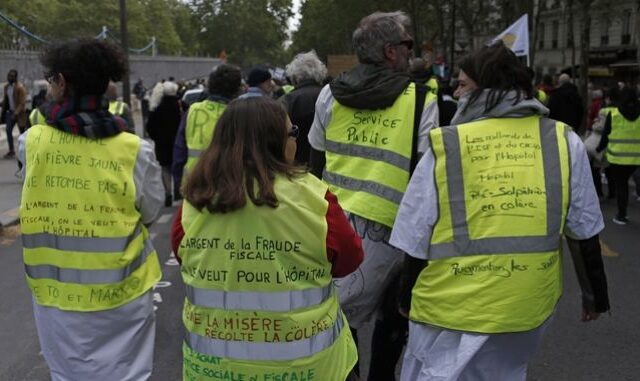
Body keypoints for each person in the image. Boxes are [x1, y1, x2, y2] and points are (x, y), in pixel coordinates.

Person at [391, 42, 609, 381]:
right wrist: (595, 297)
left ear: (484, 89)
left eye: (462, 84)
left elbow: (415, 238)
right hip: (526, 309)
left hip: (447, 310)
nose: (456, 90)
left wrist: (405, 299)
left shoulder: (445, 144)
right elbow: (584, 231)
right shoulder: (564, 140)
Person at [170, 97, 363, 380]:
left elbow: (181, 254)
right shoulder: (315, 198)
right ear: (276, 140)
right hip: (309, 369)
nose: (296, 140)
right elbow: (350, 259)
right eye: (293, 133)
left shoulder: (195, 199)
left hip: (213, 370)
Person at [17, 38, 164, 381]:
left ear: (62, 83)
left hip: (55, 296)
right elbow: (151, 211)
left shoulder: (32, 142)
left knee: (66, 374)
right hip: (124, 293)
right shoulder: (134, 150)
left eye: (52, 78)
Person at [308, 11, 439, 380]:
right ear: (391, 52)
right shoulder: (420, 99)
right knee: (395, 315)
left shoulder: (329, 94)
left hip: (333, 225)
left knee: (338, 318)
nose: (412, 51)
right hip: (397, 229)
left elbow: (316, 161)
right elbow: (427, 171)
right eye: (408, 44)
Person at [172, 64, 243, 194]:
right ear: (237, 89)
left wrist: (178, 182)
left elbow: (179, 151)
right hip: (231, 186)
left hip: (194, 184)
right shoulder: (241, 114)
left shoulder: (193, 111)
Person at [596, 87, 640, 225]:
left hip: (617, 157)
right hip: (638, 157)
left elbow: (606, 134)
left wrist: (599, 148)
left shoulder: (614, 113)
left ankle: (622, 215)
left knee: (622, 187)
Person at [281, 50, 327, 165]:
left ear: (295, 77)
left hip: (296, 165)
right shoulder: (331, 97)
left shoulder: (286, 101)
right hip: (327, 163)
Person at [147, 81, 183, 206]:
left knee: (165, 168)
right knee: (178, 167)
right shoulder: (180, 106)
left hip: (162, 143)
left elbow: (150, 127)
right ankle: (178, 191)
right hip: (178, 143)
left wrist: (156, 137)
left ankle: (168, 192)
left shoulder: (157, 109)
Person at [2, 69, 27, 158]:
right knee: (8, 130)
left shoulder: (20, 88)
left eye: (12, 76)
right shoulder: (6, 87)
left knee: (22, 133)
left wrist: (15, 114)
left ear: (15, 77)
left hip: (20, 114)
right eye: (9, 76)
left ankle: (25, 151)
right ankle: (11, 151)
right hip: (10, 113)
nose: (9, 77)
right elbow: (7, 101)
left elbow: (22, 103)